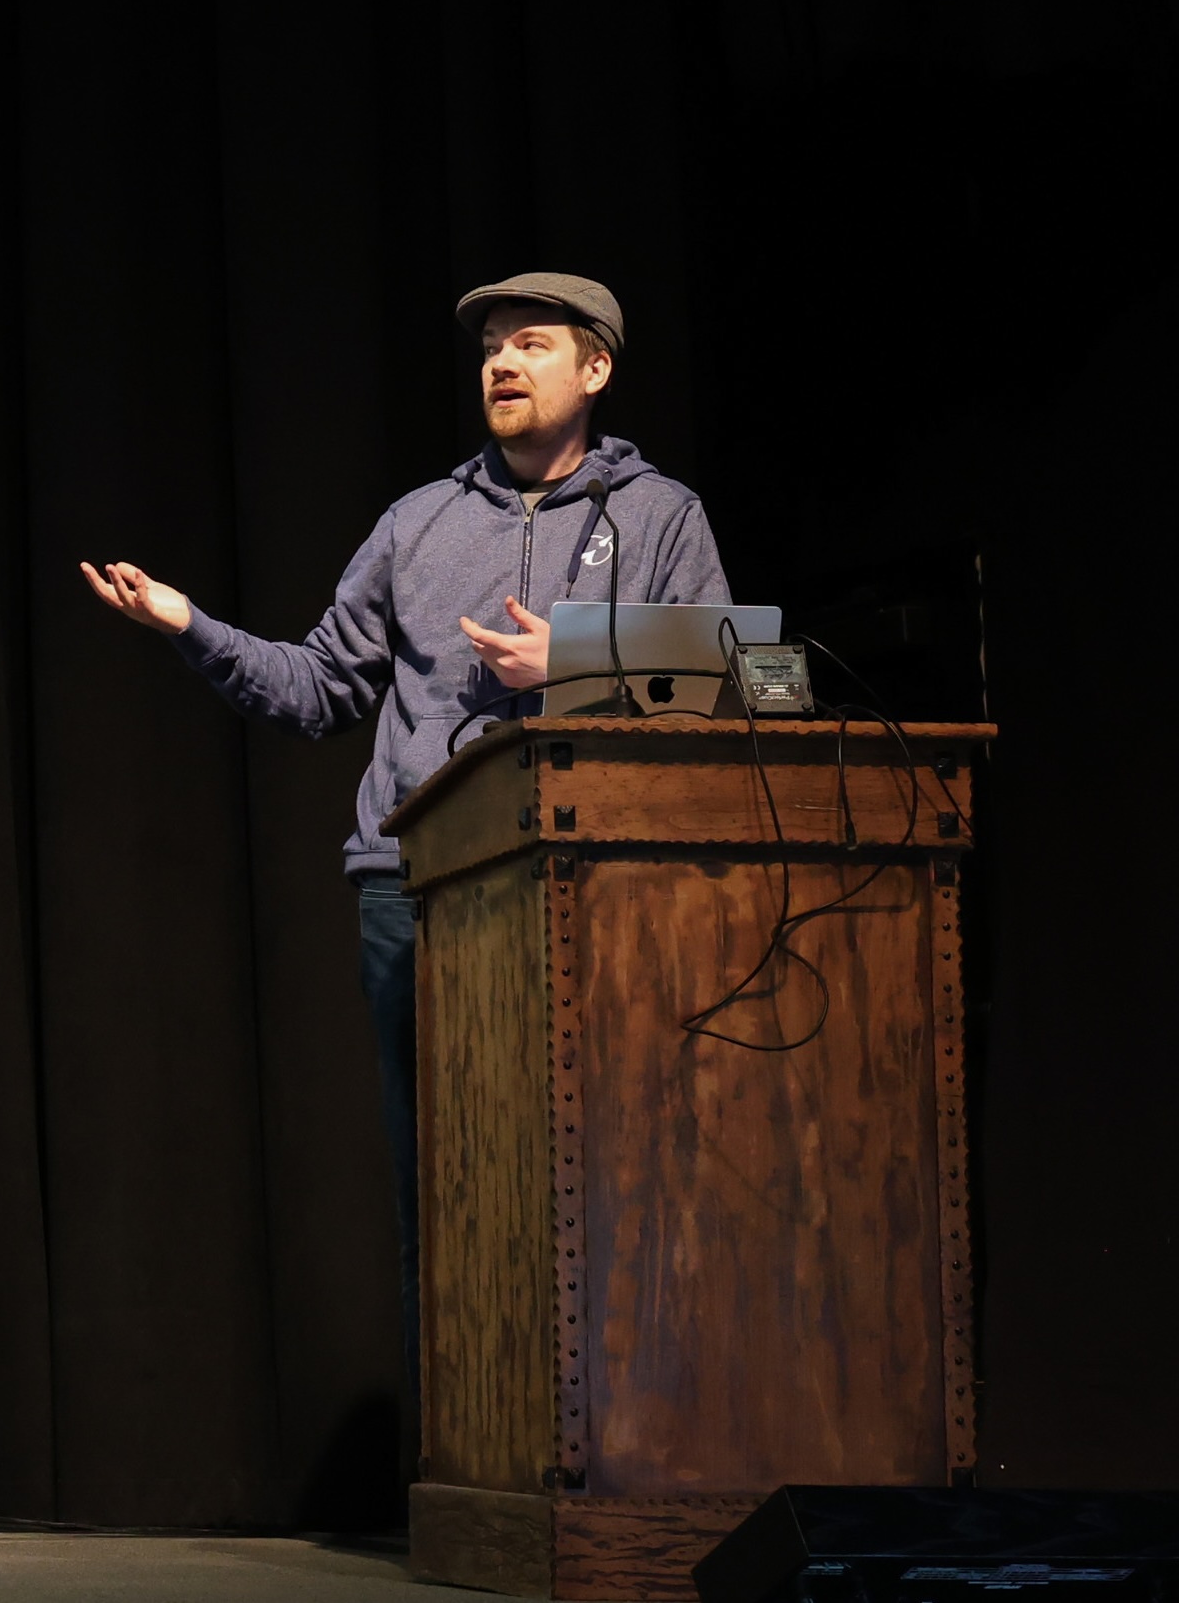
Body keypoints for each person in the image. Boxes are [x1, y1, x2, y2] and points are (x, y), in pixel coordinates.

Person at [80, 271, 731, 1398]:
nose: (501, 362)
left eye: (530, 342)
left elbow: (732, 678)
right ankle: (453, 1465)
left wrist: (573, 664)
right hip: (417, 882)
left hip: (603, 879)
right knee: (441, 1181)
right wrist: (190, 625)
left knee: (603, 1173)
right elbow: (318, 687)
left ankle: (606, 1450)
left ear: (597, 368)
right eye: (489, 345)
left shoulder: (661, 514)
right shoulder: (417, 522)